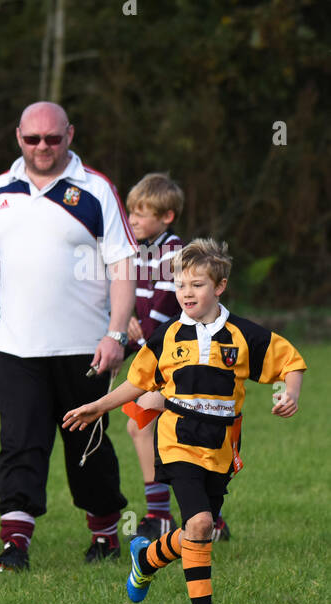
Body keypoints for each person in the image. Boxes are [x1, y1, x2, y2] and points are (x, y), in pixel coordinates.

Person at [62, 239, 305, 604]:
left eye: (197, 284)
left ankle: (147, 558)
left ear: (220, 287)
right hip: (177, 441)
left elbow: (290, 361)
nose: (187, 293)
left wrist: (290, 393)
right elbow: (137, 383)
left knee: (199, 530)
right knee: (202, 522)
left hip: (221, 448)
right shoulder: (167, 335)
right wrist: (98, 406)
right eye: (180, 285)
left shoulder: (244, 334)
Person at [0, 101, 137, 571]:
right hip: (17, 348)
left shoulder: (96, 190)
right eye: (33, 138)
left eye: (53, 138)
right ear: (17, 136)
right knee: (20, 441)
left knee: (88, 444)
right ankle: (15, 544)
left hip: (85, 347)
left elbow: (123, 266)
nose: (43, 147)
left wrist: (116, 333)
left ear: (70, 135)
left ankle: (104, 537)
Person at [123, 172, 185, 541]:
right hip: (156, 356)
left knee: (141, 424)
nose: (133, 221)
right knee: (170, 433)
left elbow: (163, 307)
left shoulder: (174, 253)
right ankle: (208, 515)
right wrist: (127, 320)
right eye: (131, 213)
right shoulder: (143, 252)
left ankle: (161, 515)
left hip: (179, 359)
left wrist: (141, 334)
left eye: (142, 214)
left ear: (167, 216)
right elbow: (135, 299)